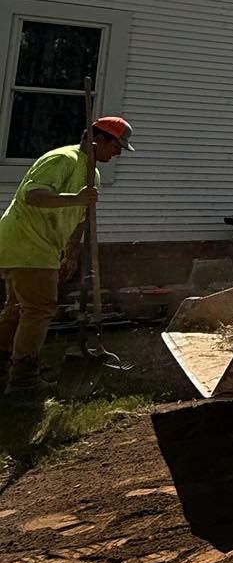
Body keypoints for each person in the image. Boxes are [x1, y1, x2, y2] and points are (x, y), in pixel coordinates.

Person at [0, 116, 133, 394]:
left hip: (39, 246)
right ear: (99, 140)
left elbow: (80, 218)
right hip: (27, 244)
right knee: (38, 309)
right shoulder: (63, 158)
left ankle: (7, 366)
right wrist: (76, 198)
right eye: (117, 145)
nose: (119, 152)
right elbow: (33, 196)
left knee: (18, 309)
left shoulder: (91, 172)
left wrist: (71, 253)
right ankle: (23, 381)